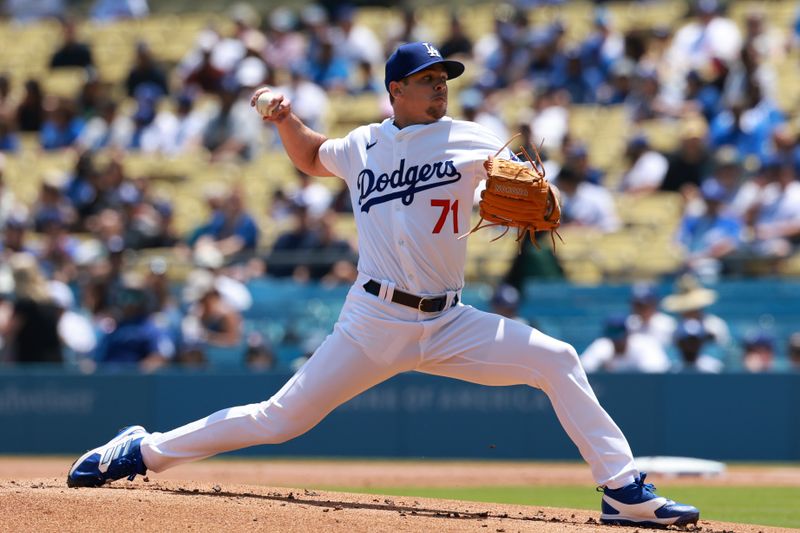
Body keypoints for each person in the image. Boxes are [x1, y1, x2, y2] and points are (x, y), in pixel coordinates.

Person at [67, 42, 699, 528]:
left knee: (557, 360)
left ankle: (621, 490)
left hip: (450, 321)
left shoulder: (472, 138)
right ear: (396, 88)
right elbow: (315, 158)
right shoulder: (365, 143)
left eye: (444, 79)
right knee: (279, 419)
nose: (439, 88)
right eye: (427, 80)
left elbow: (540, 191)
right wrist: (287, 121)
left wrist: (527, 191)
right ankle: (142, 452)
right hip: (373, 321)